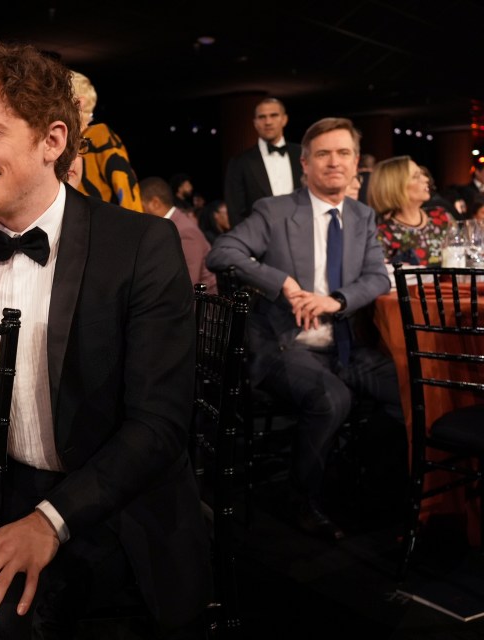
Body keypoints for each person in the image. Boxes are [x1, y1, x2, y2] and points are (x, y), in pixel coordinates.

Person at [0, 41, 210, 639]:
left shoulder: (141, 246)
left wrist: (49, 522)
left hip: (117, 505)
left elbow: (159, 427)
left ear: (53, 141)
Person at [206, 117, 403, 542]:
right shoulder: (275, 211)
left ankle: (367, 479)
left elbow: (378, 278)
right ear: (306, 164)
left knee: (406, 391)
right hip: (282, 343)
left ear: (355, 165)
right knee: (332, 398)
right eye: (324, 154)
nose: (335, 162)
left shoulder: (363, 216)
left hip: (342, 342)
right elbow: (223, 252)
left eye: (344, 153)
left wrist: (337, 300)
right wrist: (283, 284)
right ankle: (303, 498)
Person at [69, 70, 143, 211]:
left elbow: (125, 185)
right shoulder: (70, 141)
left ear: (79, 103)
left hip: (100, 225)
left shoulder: (99, 135)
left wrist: (134, 230)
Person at [223, 98, 303, 227]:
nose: (268, 122)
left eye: (274, 115)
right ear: (255, 123)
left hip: (304, 234)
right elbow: (236, 213)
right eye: (262, 117)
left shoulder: (303, 154)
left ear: (284, 119)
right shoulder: (240, 162)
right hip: (260, 241)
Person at [369, 155, 452, 266]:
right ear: (396, 186)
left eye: (422, 174)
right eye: (416, 176)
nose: (426, 179)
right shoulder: (382, 234)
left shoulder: (441, 216)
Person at [140, 175, 216, 293]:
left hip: (197, 306)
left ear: (155, 203)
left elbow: (187, 283)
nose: (137, 212)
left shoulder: (185, 231)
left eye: (141, 206)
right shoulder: (170, 225)